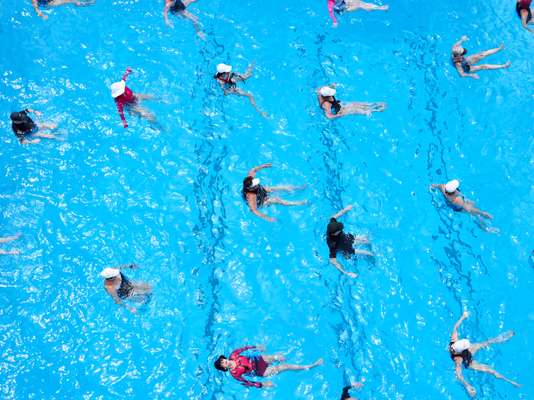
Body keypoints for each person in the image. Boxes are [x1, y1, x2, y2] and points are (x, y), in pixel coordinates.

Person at [449, 311, 520, 397]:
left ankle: (500, 338)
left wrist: (463, 316)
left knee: (486, 343)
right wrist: (467, 385)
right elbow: (459, 375)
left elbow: (455, 327)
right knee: (490, 370)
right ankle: (509, 381)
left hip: (463, 352)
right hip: (468, 361)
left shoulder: (454, 340)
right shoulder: (458, 360)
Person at [214, 344, 323, 388]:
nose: (225, 362)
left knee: (280, 357)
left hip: (260, 359)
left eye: (223, 360)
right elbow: (247, 383)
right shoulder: (235, 374)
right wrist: (263, 384)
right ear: (224, 368)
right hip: (261, 371)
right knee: (285, 366)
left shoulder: (233, 354)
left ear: (225, 358)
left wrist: (257, 346)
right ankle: (312, 365)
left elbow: (244, 348)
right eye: (223, 364)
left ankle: (304, 355)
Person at [242, 163, 307, 222]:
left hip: (260, 191)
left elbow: (253, 170)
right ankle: (297, 203)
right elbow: (254, 210)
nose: (257, 182)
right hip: (260, 201)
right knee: (276, 200)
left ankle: (298, 188)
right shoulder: (251, 196)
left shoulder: (249, 179)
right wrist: (267, 218)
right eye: (256, 184)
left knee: (280, 187)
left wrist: (263, 166)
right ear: (252, 188)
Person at [327, 205, 373, 278]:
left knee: (367, 239)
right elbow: (332, 260)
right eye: (340, 229)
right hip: (346, 249)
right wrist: (346, 273)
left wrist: (345, 209)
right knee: (353, 256)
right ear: (335, 233)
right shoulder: (334, 244)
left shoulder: (331, 225)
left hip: (348, 238)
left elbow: (333, 217)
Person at [317, 85, 386, 119]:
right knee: (355, 110)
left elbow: (320, 89)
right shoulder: (326, 104)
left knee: (356, 104)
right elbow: (329, 116)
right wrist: (340, 115)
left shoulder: (322, 90)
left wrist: (334, 85)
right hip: (338, 110)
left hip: (338, 104)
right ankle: (376, 110)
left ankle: (373, 104)